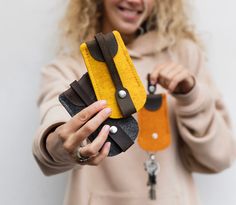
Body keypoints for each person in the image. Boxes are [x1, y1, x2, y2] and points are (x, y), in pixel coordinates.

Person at [32, 0, 236, 204]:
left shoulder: (184, 55)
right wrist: (60, 142)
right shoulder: (68, 68)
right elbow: (54, 122)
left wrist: (191, 97)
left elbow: (221, 157)